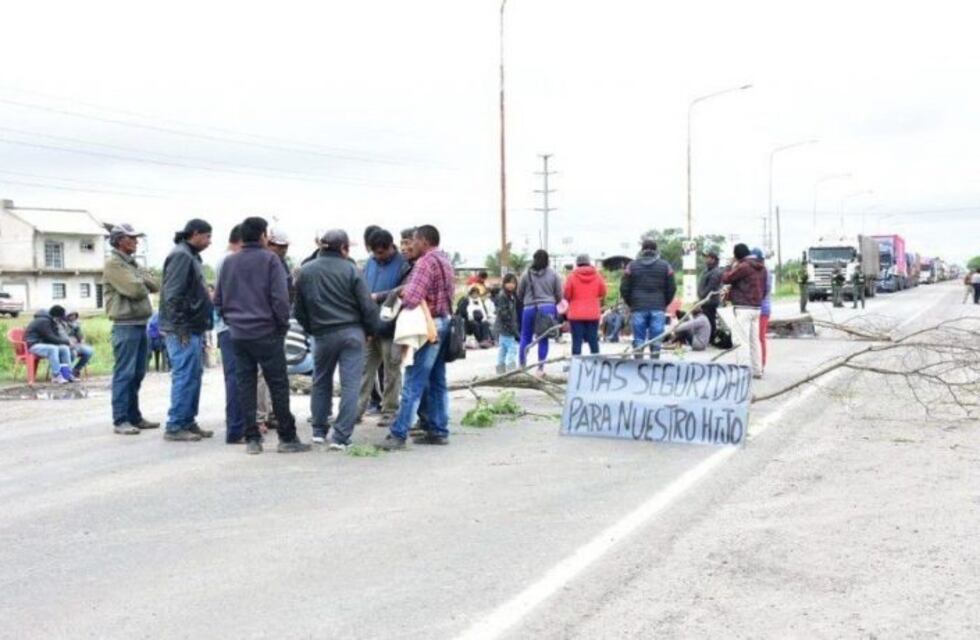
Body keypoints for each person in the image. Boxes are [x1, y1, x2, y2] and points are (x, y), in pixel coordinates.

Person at [214, 216, 311, 455]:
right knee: (278, 384)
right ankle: (287, 438)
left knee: (245, 385)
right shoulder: (271, 260)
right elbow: (280, 298)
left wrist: (233, 322)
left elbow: (219, 300)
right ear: (262, 236)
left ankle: (252, 439)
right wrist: (281, 326)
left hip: (238, 334)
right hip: (267, 332)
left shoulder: (229, 262)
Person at [295, 229, 378, 449]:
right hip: (352, 333)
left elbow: (299, 310)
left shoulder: (305, 271)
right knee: (350, 385)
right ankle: (341, 437)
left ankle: (319, 431)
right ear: (343, 248)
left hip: (322, 334)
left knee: (320, 382)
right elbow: (367, 306)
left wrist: (312, 329)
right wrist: (371, 330)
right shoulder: (352, 270)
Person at [378, 224, 455, 450]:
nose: (411, 245)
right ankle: (438, 430)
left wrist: (400, 293)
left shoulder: (425, 263)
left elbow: (412, 298)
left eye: (414, 240)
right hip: (443, 323)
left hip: (428, 326)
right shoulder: (445, 261)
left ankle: (398, 433)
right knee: (437, 380)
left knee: (413, 380)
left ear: (424, 241)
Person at [159, 218, 214, 442]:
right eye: (207, 236)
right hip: (182, 329)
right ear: (195, 233)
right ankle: (175, 425)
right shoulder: (181, 255)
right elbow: (172, 295)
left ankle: (188, 420)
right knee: (184, 376)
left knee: (193, 375)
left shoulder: (190, 255)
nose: (210, 241)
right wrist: (180, 327)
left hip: (192, 326)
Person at [103, 223, 161, 434]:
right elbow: (136, 289)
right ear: (120, 240)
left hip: (140, 324)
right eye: (132, 238)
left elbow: (155, 285)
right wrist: (142, 278)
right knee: (124, 373)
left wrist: (141, 277)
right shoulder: (114, 264)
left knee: (137, 373)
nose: (136, 242)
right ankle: (120, 420)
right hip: (124, 325)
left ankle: (134, 416)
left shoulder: (131, 263)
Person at [357, 228, 409, 426]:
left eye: (381, 252)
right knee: (364, 370)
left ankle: (389, 411)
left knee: (391, 370)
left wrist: (378, 296)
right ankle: (356, 410)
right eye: (374, 252)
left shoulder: (403, 265)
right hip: (370, 326)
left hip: (392, 327)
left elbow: (404, 291)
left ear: (389, 247)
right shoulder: (370, 263)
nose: (377, 256)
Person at [214, 224, 245, 443]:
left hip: (228, 326)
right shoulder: (229, 261)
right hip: (231, 328)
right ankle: (236, 428)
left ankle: (237, 426)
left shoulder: (225, 260)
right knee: (236, 379)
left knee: (235, 378)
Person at [621, 238, 676, 359]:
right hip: (658, 307)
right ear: (656, 250)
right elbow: (672, 288)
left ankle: (639, 366)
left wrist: (632, 303)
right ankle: (654, 365)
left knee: (639, 339)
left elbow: (624, 288)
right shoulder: (665, 266)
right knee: (656, 340)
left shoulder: (631, 266)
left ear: (642, 250)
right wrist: (664, 303)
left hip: (638, 307)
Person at [721, 243, 767, 378]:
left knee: (741, 340)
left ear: (737, 255)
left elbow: (726, 278)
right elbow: (764, 289)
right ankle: (757, 370)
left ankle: (742, 371)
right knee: (754, 341)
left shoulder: (744, 267)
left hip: (743, 307)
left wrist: (729, 266)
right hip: (757, 307)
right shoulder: (762, 268)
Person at [517, 249, 563, 372]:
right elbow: (559, 294)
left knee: (525, 337)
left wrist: (527, 301)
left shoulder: (525, 274)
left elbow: (519, 293)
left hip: (529, 308)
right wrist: (552, 303)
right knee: (543, 337)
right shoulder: (554, 274)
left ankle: (522, 365)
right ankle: (540, 368)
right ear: (547, 260)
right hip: (547, 307)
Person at [564, 254, 607, 356]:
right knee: (593, 341)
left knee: (577, 342)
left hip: (576, 314)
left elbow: (566, 294)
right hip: (593, 313)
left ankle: (576, 366)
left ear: (577, 264)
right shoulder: (597, 276)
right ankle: (596, 364)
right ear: (589, 262)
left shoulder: (572, 276)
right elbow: (603, 292)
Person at [24, 306, 74, 384]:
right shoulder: (43, 321)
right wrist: (66, 341)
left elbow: (54, 336)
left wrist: (65, 342)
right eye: (60, 318)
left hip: (43, 344)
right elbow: (49, 337)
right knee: (53, 348)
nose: (60, 320)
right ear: (56, 316)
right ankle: (56, 376)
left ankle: (66, 374)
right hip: (33, 345)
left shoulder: (51, 321)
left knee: (64, 348)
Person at [494, 273, 520, 373]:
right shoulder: (503, 296)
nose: (511, 285)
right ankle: (511, 370)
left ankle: (500, 369)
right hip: (506, 328)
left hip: (503, 328)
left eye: (513, 283)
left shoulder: (511, 296)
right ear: (504, 283)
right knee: (512, 349)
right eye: (508, 282)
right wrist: (514, 331)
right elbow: (504, 315)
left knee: (503, 349)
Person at [752, 248, 773, 367]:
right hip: (756, 308)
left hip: (762, 309)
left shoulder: (765, 271)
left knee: (760, 337)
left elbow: (765, 291)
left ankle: (761, 363)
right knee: (754, 339)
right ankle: (756, 362)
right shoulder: (757, 271)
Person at [697, 250, 724, 343]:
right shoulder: (708, 270)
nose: (705, 259)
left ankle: (711, 338)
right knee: (707, 318)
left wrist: (702, 296)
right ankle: (709, 337)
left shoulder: (716, 271)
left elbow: (710, 287)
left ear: (713, 259)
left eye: (707, 257)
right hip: (705, 300)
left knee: (709, 319)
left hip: (710, 300)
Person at [60, 311, 94, 378]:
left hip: (76, 344)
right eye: (71, 315)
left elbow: (80, 336)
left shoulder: (76, 325)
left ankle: (76, 369)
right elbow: (61, 336)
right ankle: (66, 372)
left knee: (89, 351)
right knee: (73, 353)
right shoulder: (61, 324)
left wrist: (81, 339)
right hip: (66, 344)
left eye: (74, 315)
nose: (73, 317)